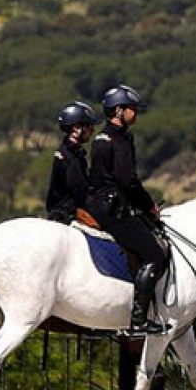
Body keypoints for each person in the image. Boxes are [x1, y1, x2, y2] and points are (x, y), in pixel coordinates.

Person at [88, 84, 168, 335]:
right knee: (154, 255)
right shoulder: (118, 140)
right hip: (114, 208)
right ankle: (139, 319)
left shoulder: (102, 137)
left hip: (101, 202)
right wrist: (148, 206)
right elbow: (127, 181)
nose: (136, 114)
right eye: (132, 109)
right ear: (119, 111)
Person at [45, 100, 98, 225]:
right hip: (68, 214)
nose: (92, 131)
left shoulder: (72, 152)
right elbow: (79, 190)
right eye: (88, 127)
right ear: (76, 129)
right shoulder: (69, 157)